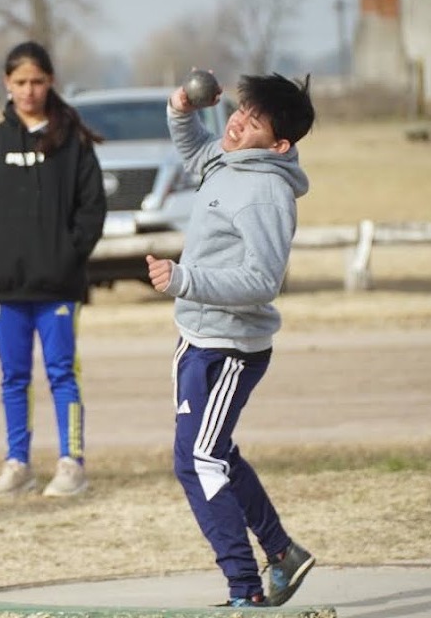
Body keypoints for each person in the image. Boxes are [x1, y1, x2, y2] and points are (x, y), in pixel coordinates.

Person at [145, 72, 316, 607]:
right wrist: (181, 112)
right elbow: (198, 155)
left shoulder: (266, 192)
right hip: (196, 337)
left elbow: (263, 280)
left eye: (253, 119)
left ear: (279, 144)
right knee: (202, 455)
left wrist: (185, 280)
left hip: (232, 350)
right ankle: (282, 553)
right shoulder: (230, 159)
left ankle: (246, 592)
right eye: (242, 109)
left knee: (201, 460)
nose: (238, 120)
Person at [0, 41, 106, 499]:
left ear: (51, 82)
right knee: (13, 378)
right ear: (7, 84)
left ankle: (71, 464)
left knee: (62, 373)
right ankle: (18, 464)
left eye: (37, 81)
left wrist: (68, 254)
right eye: (20, 82)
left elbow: (92, 209)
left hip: (58, 287)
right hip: (6, 289)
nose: (28, 91)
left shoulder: (73, 143)